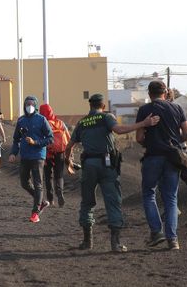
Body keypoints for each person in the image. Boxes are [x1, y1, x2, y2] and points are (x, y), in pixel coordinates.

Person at [64, 93, 160, 252]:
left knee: (87, 202)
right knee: (112, 201)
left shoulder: (82, 122)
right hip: (107, 165)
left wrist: (68, 162)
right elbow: (120, 130)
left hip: (88, 165)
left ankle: (87, 241)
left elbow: (69, 146)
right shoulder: (106, 118)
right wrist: (144, 123)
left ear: (90, 106)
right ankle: (115, 243)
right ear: (103, 106)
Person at [136, 80, 187, 251]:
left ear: (149, 94)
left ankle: (156, 232)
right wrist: (175, 141)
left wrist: (152, 141)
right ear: (165, 92)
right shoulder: (176, 108)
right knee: (171, 198)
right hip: (172, 158)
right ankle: (173, 240)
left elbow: (139, 138)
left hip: (153, 157)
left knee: (148, 194)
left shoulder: (144, 110)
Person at [8, 96, 53, 223]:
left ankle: (35, 212)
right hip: (25, 155)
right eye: (27, 104)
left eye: (32, 104)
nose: (29, 106)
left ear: (36, 106)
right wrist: (13, 153)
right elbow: (16, 139)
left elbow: (50, 138)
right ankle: (42, 202)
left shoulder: (42, 119)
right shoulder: (21, 120)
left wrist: (36, 142)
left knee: (38, 183)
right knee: (24, 182)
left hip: (38, 155)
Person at [39, 103, 70, 208]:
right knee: (59, 174)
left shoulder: (42, 123)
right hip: (60, 151)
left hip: (47, 152)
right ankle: (60, 192)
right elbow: (68, 137)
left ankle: (51, 199)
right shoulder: (60, 123)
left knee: (48, 176)